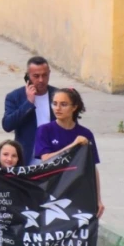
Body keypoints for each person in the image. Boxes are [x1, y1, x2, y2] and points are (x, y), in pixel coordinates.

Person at [33, 87, 103, 225]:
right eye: (55, 103)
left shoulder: (85, 134)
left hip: (76, 189)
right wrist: (72, 146)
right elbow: (46, 159)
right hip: (51, 189)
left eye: (63, 104)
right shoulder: (45, 130)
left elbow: (92, 167)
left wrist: (98, 199)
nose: (57, 108)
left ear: (74, 107)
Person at [2, 56, 57, 161]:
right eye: (36, 76)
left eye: (44, 75)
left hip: (55, 157)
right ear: (28, 77)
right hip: (28, 159)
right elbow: (7, 125)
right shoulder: (15, 97)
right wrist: (28, 103)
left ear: (49, 74)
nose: (41, 80)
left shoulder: (59, 96)